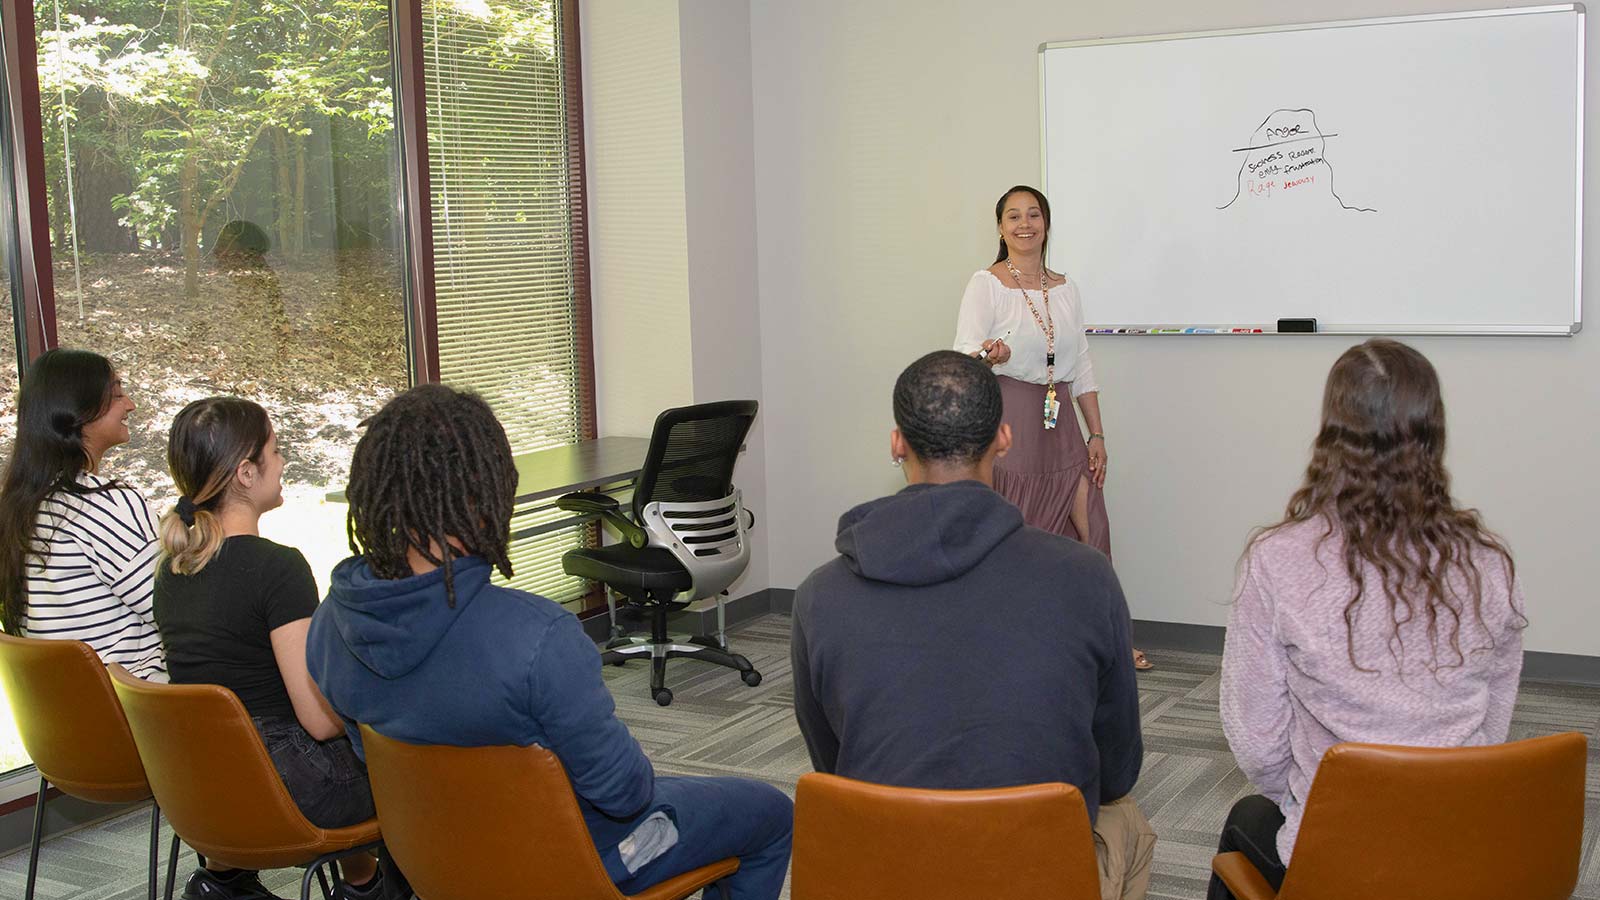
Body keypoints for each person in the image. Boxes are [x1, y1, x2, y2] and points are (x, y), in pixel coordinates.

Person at [305, 383, 792, 900]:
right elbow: (626, 794)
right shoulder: (536, 637)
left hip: (439, 858)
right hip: (580, 860)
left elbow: (384, 767)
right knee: (770, 811)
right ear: (482, 495)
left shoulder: (328, 625)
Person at [792, 350, 1154, 900]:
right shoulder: (1087, 577)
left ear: (897, 444)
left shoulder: (819, 596)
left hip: (882, 874)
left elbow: (832, 761)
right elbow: (1117, 768)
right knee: (1131, 822)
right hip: (1035, 874)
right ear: (1004, 439)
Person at [1211, 339, 1526, 900]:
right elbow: (1494, 719)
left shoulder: (1278, 559)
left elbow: (1257, 741)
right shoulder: (1488, 562)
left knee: (1245, 818)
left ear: (1332, 433)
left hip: (1338, 857)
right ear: (1433, 431)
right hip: (1468, 847)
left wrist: (1316, 795)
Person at [152, 397, 379, 900]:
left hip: (206, 790)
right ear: (246, 473)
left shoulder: (172, 570)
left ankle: (230, 882)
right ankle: (369, 888)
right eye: (275, 452)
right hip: (290, 789)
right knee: (407, 763)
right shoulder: (277, 568)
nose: (283, 463)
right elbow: (318, 721)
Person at [953, 184, 1152, 671]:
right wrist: (989, 353)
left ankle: (1108, 641)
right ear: (1000, 228)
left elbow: (1081, 364)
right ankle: (1018, 641)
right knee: (1021, 536)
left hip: (1060, 416)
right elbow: (963, 354)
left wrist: (1097, 434)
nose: (1025, 224)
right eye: (1014, 216)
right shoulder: (988, 283)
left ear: (1046, 223)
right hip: (1010, 420)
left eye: (1034, 214)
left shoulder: (1065, 288)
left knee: (1094, 532)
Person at [0, 348, 165, 679]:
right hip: (142, 714)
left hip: (71, 716)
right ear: (79, 413)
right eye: (117, 394)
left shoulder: (21, 507)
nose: (130, 404)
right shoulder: (105, 506)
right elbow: (178, 612)